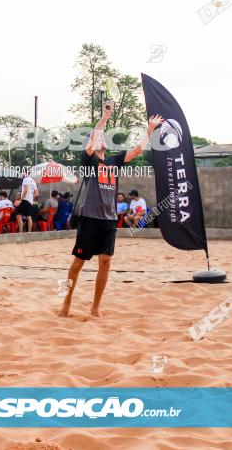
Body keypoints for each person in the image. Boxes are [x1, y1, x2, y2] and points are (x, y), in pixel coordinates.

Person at [59, 101, 163, 318]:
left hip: (108, 219)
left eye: (103, 138)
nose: (101, 139)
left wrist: (150, 130)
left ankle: (95, 307)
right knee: (78, 263)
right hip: (89, 218)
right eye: (97, 139)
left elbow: (137, 150)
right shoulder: (88, 160)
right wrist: (105, 117)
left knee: (105, 262)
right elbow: (96, 135)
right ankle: (66, 302)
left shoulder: (115, 161)